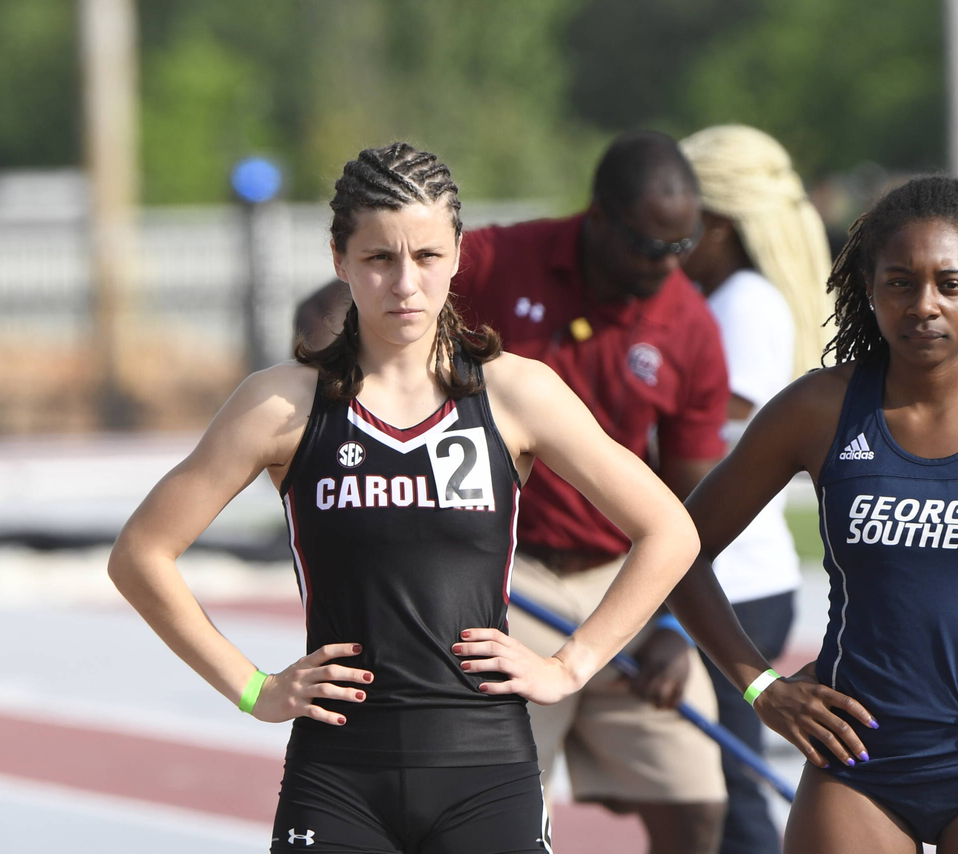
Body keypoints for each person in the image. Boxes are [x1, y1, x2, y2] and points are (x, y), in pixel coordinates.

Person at [110, 142, 701, 854]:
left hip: (486, 771)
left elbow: (671, 530)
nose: (405, 285)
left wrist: (570, 665)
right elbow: (140, 555)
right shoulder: (279, 405)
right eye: (378, 259)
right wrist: (251, 688)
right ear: (339, 260)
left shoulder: (516, 393)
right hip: (337, 777)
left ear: (457, 252)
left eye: (425, 257)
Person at [297, 130, 732, 853]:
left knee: (698, 798)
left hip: (617, 573)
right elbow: (339, 300)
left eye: (680, 247)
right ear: (600, 218)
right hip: (504, 572)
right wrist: (335, 366)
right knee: (499, 795)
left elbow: (687, 510)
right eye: (648, 246)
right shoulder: (503, 258)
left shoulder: (689, 323)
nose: (664, 265)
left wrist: (670, 626)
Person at [668, 175, 958, 853]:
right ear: (870, 289)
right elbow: (678, 549)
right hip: (856, 769)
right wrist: (761, 688)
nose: (924, 304)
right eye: (900, 282)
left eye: (950, 284)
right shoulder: (818, 408)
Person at [677, 124, 832, 854]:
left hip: (729, 579)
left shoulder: (742, 300)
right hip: (741, 574)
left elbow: (704, 434)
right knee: (712, 788)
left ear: (718, 226)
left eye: (683, 221)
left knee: (733, 793)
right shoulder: (741, 295)